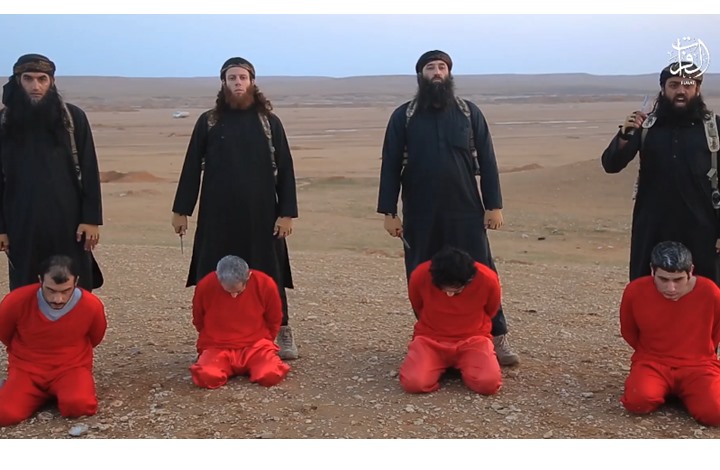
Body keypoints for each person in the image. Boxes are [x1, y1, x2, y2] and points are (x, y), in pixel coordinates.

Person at [377, 50, 518, 366]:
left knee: (481, 269)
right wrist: (389, 212)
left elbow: (488, 160)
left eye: (442, 67)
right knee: (421, 271)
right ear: (421, 75)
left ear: (450, 73)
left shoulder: (469, 112)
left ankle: (497, 337)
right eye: (431, 67)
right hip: (420, 211)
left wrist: (493, 205)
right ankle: (430, 335)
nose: (437, 72)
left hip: (465, 207)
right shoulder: (404, 116)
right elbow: (390, 165)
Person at [171, 57, 299, 360]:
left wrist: (286, 213)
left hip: (261, 215)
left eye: (242, 77)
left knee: (269, 272)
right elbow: (192, 167)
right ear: (223, 83)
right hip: (217, 215)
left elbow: (285, 168)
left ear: (252, 81)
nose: (238, 83)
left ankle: (282, 329)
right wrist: (181, 210)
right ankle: (212, 334)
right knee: (213, 273)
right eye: (232, 78)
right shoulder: (209, 121)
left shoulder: (269, 123)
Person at [601, 61, 720, 285]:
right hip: (652, 227)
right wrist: (625, 135)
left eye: (687, 85)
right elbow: (611, 164)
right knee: (647, 287)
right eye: (674, 85)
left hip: (703, 228)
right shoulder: (646, 127)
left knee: (705, 290)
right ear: (663, 89)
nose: (681, 91)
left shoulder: (714, 128)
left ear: (697, 89)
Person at [0, 53, 104, 292]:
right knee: (26, 287)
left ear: (52, 81)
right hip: (21, 222)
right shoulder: (4, 122)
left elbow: (89, 169)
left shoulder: (72, 119)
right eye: (28, 79)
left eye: (42, 79)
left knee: (73, 283)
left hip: (69, 222)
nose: (35, 86)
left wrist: (91, 219)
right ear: (17, 81)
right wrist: (1, 228)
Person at [619, 241, 720, 426]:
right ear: (652, 271)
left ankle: (686, 393)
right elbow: (628, 330)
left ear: (691, 271)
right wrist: (649, 352)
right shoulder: (635, 291)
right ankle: (665, 390)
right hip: (652, 361)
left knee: (715, 413)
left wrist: (699, 353)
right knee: (638, 401)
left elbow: (716, 332)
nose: (671, 288)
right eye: (663, 279)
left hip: (699, 365)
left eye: (678, 280)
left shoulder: (710, 292)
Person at [0, 255, 107, 427]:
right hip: (27, 369)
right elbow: (4, 333)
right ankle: (28, 392)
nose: (58, 299)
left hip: (70, 367)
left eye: (65, 291)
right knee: (5, 414)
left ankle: (51, 394)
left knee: (79, 405)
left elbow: (96, 336)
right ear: (40, 280)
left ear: (76, 282)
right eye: (51, 290)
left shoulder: (91, 305)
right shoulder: (16, 301)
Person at [399, 246, 502, 395]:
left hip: (473, 339)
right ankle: (442, 366)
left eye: (456, 291)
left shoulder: (487, 278)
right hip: (430, 339)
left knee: (488, 384)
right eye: (444, 290)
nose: (450, 295)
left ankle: (452, 367)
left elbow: (491, 309)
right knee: (414, 383)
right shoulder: (420, 274)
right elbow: (418, 305)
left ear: (469, 280)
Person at [189, 255, 290, 389]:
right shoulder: (205, 285)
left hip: (256, 346)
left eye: (238, 291)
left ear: (248, 276)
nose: (234, 296)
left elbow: (274, 318)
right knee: (206, 376)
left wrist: (267, 340)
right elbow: (199, 318)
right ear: (218, 277)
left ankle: (247, 366)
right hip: (218, 346)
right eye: (228, 291)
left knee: (270, 374)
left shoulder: (265, 283)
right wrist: (210, 341)